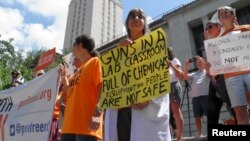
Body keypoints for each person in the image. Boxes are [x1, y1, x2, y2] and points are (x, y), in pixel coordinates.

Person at [119, 8, 171, 141]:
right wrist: (121, 54)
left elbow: (160, 73)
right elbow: (119, 77)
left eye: (140, 16)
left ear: (144, 23)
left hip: (152, 104)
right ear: (127, 22)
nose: (136, 19)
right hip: (128, 105)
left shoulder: (154, 43)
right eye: (132, 16)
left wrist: (147, 98)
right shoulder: (122, 47)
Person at [58, 35, 103, 141]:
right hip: (68, 126)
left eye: (74, 45)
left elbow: (102, 86)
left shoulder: (94, 62)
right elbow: (68, 92)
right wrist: (63, 77)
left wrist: (98, 113)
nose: (73, 49)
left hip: (86, 125)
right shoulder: (77, 71)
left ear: (80, 45)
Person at [217, 6, 250, 124]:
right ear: (220, 20)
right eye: (221, 14)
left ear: (233, 16)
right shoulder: (218, 40)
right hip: (231, 77)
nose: (224, 14)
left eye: (227, 12)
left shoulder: (246, 29)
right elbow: (217, 63)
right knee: (240, 112)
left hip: (249, 71)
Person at [204, 21, 237, 125]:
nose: (208, 29)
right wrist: (207, 68)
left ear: (219, 27)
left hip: (230, 75)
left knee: (235, 104)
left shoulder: (225, 38)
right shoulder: (209, 46)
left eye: (210, 26)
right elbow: (211, 70)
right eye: (206, 28)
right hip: (218, 79)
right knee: (223, 105)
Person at [183, 56, 209, 138]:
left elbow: (210, 72)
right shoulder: (194, 74)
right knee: (197, 116)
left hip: (205, 96)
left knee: (209, 115)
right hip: (195, 98)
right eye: (197, 63)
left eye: (200, 62)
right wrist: (186, 65)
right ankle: (199, 133)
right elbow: (185, 76)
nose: (198, 63)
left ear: (203, 63)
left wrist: (199, 58)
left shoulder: (207, 72)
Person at [167, 47, 184, 140]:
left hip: (173, 85)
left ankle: (180, 136)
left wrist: (171, 65)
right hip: (165, 88)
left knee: (176, 111)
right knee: (168, 113)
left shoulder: (174, 60)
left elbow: (180, 75)